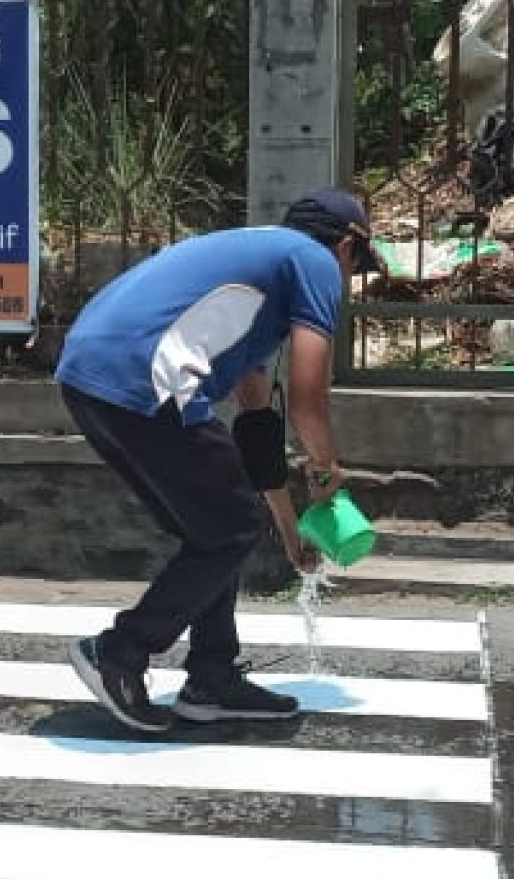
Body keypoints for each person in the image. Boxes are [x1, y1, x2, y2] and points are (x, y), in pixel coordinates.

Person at [54, 188, 382, 735]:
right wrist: (327, 475)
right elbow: (307, 399)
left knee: (217, 530)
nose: (347, 280)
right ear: (347, 245)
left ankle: (211, 678)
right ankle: (120, 651)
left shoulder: (258, 269)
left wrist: (286, 528)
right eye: (357, 265)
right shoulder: (315, 263)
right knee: (225, 532)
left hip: (91, 375)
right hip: (144, 380)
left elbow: (257, 424)